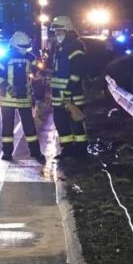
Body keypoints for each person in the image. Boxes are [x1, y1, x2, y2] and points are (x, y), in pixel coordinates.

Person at [0, 31, 47, 164]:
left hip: (24, 97)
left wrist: (40, 74)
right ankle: (7, 153)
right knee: (7, 127)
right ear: (14, 45)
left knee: (29, 126)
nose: (24, 51)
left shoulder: (30, 57)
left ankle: (35, 152)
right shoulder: (3, 58)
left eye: (25, 48)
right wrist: (7, 85)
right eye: (21, 48)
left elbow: (37, 72)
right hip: (8, 98)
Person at [49, 16, 88, 159]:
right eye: (55, 31)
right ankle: (67, 150)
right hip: (58, 94)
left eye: (59, 30)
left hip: (72, 94)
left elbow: (77, 72)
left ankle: (81, 152)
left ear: (67, 30)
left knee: (76, 122)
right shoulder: (59, 46)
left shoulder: (75, 46)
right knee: (61, 123)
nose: (57, 33)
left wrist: (68, 91)